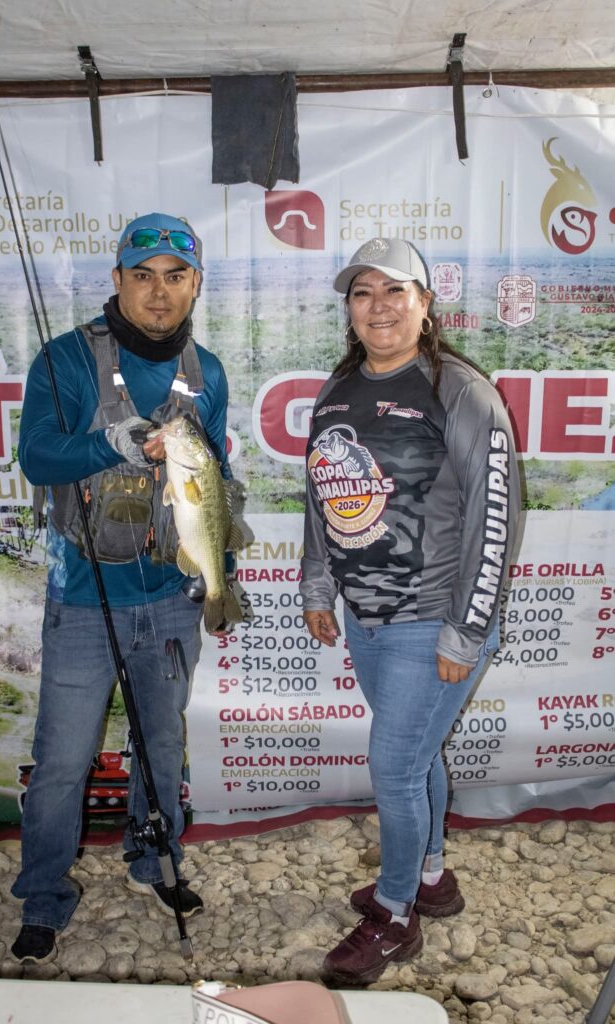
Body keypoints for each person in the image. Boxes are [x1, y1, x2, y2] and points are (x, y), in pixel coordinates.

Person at [11, 213, 233, 964]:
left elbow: (217, 478)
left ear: (195, 284)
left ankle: (155, 862)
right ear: (117, 281)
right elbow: (38, 456)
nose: (158, 292)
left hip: (171, 601)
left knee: (162, 748)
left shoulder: (208, 372)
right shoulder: (66, 358)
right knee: (62, 762)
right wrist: (109, 443)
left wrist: (218, 570)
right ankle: (44, 896)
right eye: (142, 276)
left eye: (175, 277)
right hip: (83, 601)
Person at [300, 238, 520, 985]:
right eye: (363, 293)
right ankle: (430, 877)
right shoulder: (338, 390)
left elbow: (495, 518)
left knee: (394, 770)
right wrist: (317, 587)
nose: (379, 306)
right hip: (366, 619)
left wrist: (466, 629)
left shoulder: (460, 391)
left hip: (432, 620)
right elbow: (321, 494)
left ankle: (395, 916)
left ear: (425, 304)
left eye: (395, 290)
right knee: (416, 758)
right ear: (350, 310)